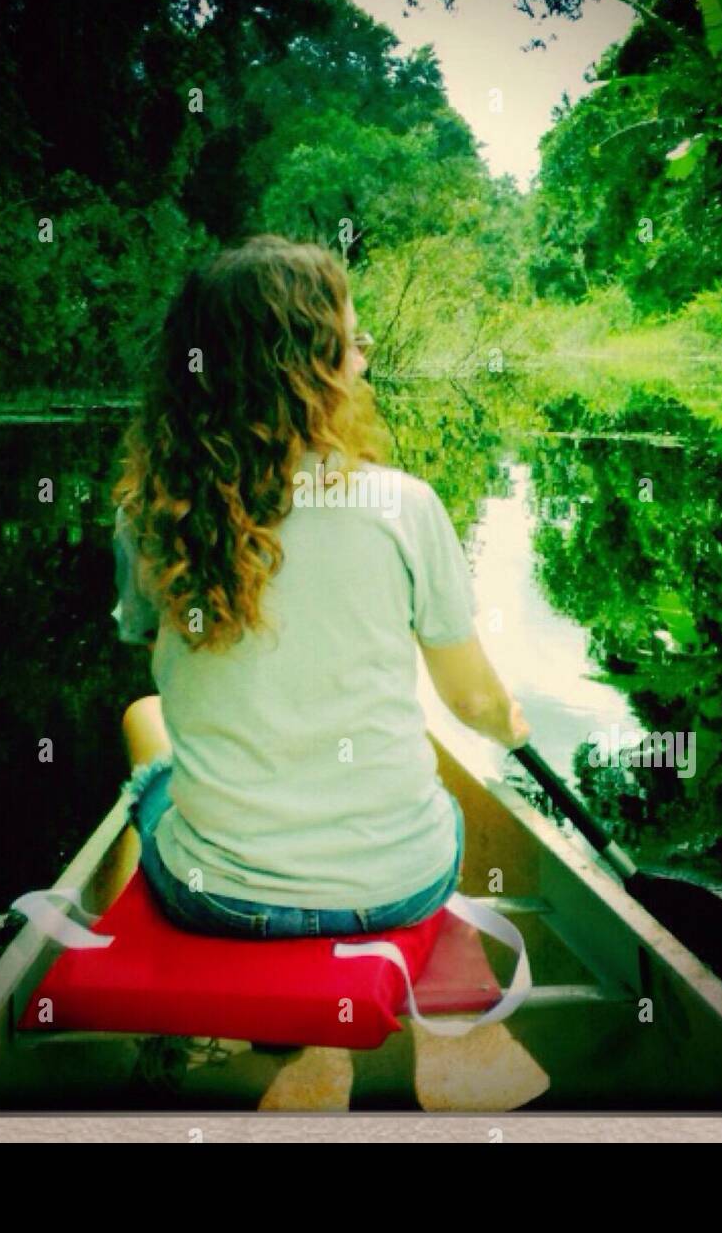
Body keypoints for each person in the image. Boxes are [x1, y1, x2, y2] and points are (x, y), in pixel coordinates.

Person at [112, 234, 529, 941]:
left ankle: (146, 959)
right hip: (399, 886)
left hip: (218, 899)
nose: (362, 357)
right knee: (444, 806)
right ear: (316, 367)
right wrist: (510, 726)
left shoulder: (148, 515)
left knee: (145, 733)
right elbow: (474, 701)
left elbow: (166, 658)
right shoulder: (406, 506)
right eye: (352, 341)